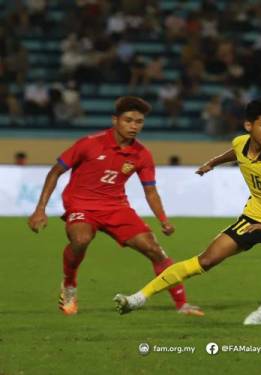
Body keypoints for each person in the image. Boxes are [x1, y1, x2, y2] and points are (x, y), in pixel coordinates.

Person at [114, 98, 261, 325]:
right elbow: (235, 152)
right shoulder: (241, 143)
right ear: (249, 126)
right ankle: (138, 298)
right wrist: (213, 163)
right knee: (206, 260)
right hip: (254, 218)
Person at [27, 96, 202, 317]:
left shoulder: (142, 154)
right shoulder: (89, 143)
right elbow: (55, 172)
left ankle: (182, 305)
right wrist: (40, 209)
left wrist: (163, 220)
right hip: (81, 204)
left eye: (139, 122)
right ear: (115, 120)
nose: (134, 126)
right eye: (128, 120)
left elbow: (150, 190)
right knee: (80, 240)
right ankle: (69, 285)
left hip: (116, 207)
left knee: (154, 250)